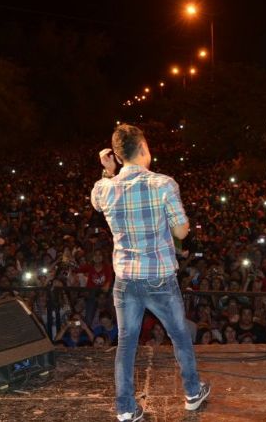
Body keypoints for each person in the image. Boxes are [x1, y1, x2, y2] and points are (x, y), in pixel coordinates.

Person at [91, 124, 210, 422]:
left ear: (117, 155)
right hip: (159, 277)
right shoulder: (163, 184)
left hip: (125, 280)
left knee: (126, 343)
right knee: (179, 335)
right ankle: (192, 392)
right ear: (143, 146)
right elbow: (181, 231)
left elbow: (96, 202)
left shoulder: (104, 188)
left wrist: (108, 172)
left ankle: (125, 409)